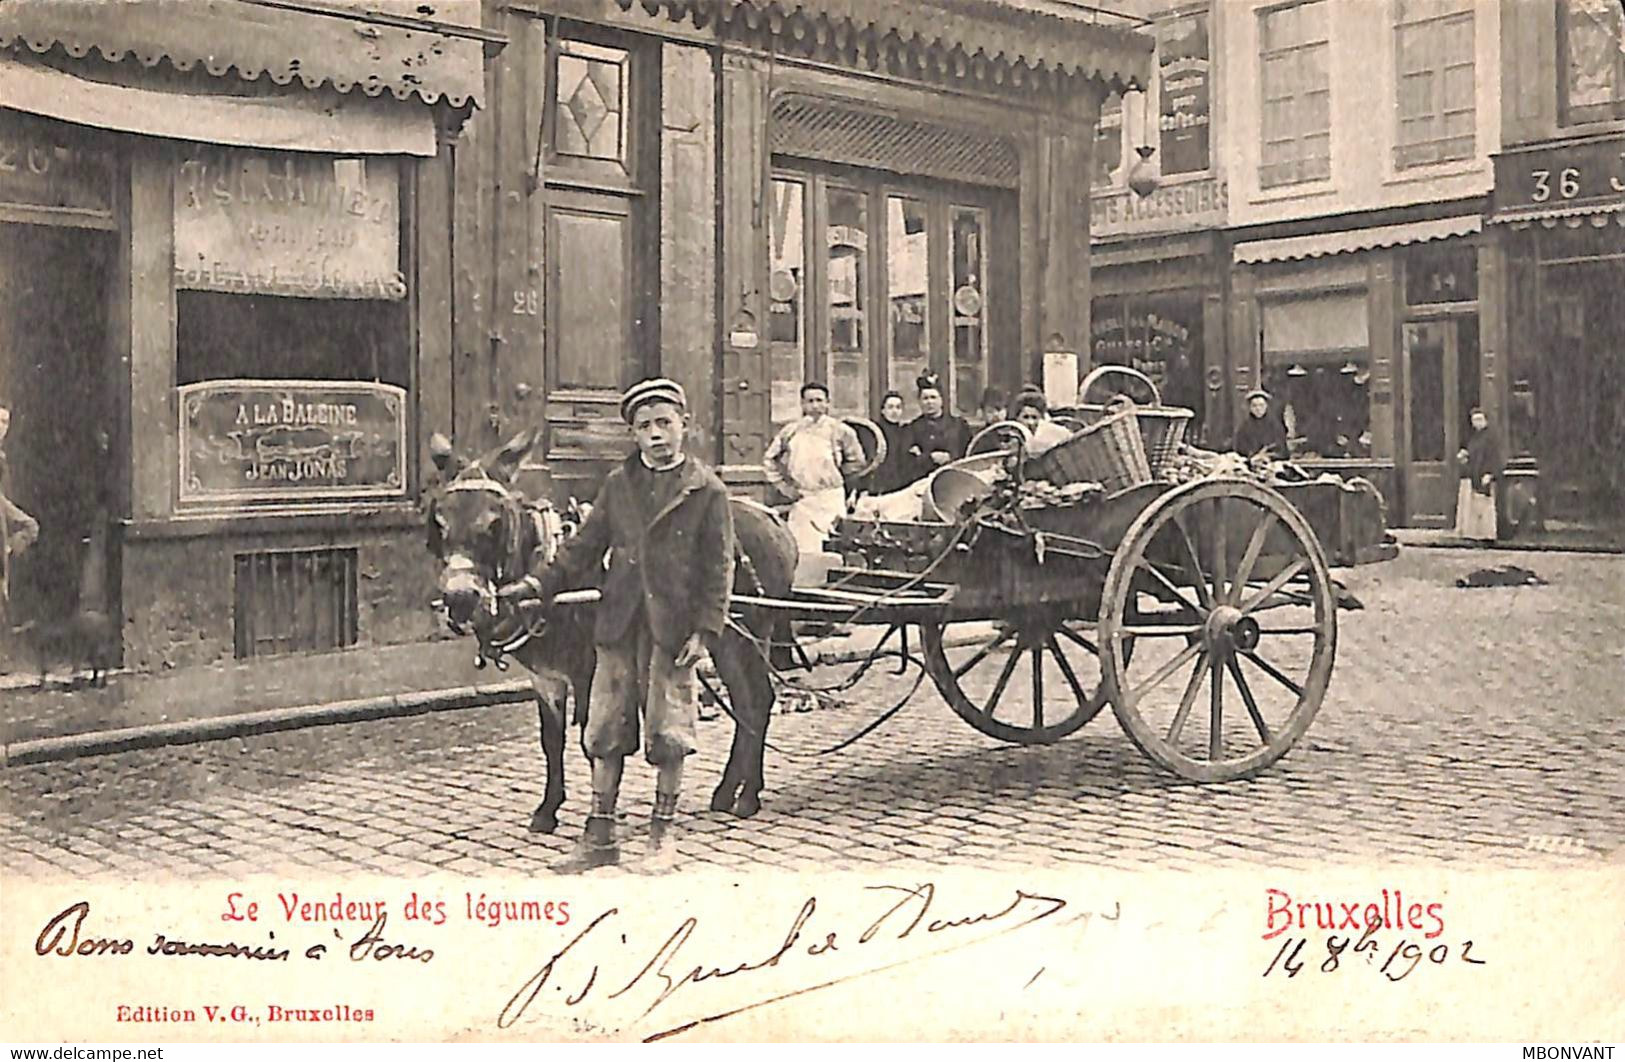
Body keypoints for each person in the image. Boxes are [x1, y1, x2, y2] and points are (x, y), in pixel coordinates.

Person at [499, 378, 734, 873]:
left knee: (669, 732)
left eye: (664, 423)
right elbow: (581, 547)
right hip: (618, 623)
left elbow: (719, 566)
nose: (656, 435)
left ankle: (661, 836)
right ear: (633, 434)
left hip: (672, 629)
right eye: (645, 426)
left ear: (683, 426)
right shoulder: (618, 485)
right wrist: (535, 586)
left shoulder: (706, 489)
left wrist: (706, 630)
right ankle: (600, 837)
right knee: (603, 729)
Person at [762, 381, 866, 562]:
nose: (815, 405)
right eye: (810, 401)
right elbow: (769, 460)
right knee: (799, 551)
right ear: (802, 404)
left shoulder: (841, 431)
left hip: (830, 499)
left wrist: (838, 478)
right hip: (803, 500)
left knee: (832, 550)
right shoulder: (790, 431)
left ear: (827, 403)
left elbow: (857, 462)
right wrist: (786, 489)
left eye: (819, 400)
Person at [0, 406, 40, 629]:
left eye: (6, 422)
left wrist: (9, 545)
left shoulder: (4, 456)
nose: (2, 428)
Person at [905, 372, 971, 481]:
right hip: (924, 481)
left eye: (933, 397)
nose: (929, 402)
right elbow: (908, 462)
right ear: (919, 402)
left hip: (954, 480)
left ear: (941, 400)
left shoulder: (958, 425)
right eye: (925, 398)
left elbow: (968, 453)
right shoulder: (912, 429)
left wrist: (950, 457)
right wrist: (930, 458)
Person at [1455, 408, 1504, 542]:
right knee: (1474, 506)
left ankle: (1487, 535)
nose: (1477, 423)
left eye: (1480, 419)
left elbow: (1495, 457)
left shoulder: (1491, 437)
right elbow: (1473, 454)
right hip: (1474, 474)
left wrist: (1491, 473)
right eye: (1474, 420)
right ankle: (1473, 534)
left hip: (1485, 474)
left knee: (1485, 506)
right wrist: (1465, 456)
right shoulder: (1474, 437)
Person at [865, 389, 914, 496]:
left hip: (901, 483)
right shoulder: (874, 431)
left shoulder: (906, 432)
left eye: (898, 407)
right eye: (890, 407)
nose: (894, 411)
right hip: (879, 483)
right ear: (883, 410)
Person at [1232, 388, 1290, 463]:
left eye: (1261, 405)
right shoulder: (1243, 428)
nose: (1258, 409)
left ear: (1266, 406)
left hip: (1272, 463)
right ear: (1250, 408)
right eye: (1254, 406)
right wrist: (1252, 458)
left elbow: (1283, 451)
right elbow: (1239, 452)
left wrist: (1269, 457)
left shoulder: (1276, 426)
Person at [1011, 389, 1074, 456]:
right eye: (1025, 417)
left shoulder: (1051, 435)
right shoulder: (1011, 437)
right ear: (1017, 418)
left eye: (1034, 417)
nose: (1031, 422)